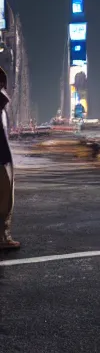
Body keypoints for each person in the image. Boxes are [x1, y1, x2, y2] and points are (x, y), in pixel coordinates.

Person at [0, 67, 19, 250]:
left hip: (4, 158)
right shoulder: (1, 105)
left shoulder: (3, 111)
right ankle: (3, 238)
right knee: (5, 200)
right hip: (1, 160)